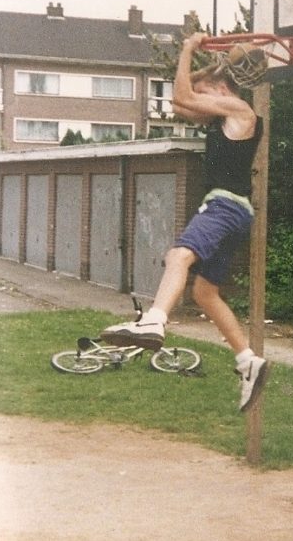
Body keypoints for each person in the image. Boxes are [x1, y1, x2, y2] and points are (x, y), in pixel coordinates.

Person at [101, 32, 269, 412]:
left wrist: (190, 50)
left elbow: (183, 96)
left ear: (222, 90)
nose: (201, 93)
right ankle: (248, 361)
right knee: (204, 293)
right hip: (233, 210)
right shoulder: (224, 114)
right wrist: (211, 66)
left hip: (225, 207)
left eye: (209, 88)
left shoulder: (243, 112)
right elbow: (184, 99)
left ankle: (154, 321)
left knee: (178, 256)